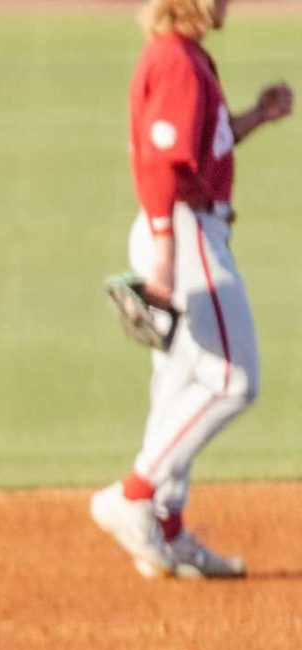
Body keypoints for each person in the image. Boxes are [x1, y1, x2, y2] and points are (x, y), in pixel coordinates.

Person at [90, 0, 292, 580]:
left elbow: (205, 150)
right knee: (233, 381)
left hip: (183, 228)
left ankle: (164, 524)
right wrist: (165, 257)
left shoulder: (185, 57)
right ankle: (135, 494)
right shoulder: (175, 60)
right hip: (182, 231)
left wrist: (255, 116)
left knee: (179, 384)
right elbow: (160, 167)